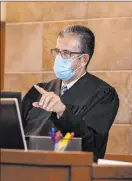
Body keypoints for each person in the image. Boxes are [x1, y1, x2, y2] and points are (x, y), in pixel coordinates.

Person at [21, 25, 119, 162]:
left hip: (72, 172)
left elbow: (92, 143)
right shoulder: (39, 90)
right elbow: (17, 133)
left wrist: (63, 112)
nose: (59, 58)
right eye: (57, 51)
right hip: (27, 167)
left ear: (83, 59)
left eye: (66, 53)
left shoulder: (103, 94)